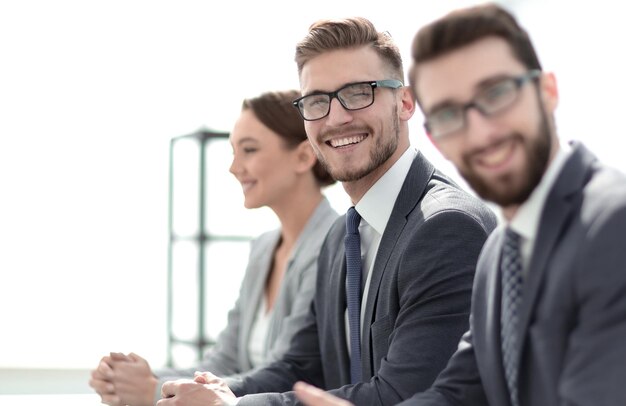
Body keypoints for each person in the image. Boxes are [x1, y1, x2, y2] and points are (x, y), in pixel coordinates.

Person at [293, 3, 626, 406]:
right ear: (435, 137)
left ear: (547, 91)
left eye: (496, 94)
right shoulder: (501, 254)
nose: (480, 130)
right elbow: (458, 394)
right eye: (451, 114)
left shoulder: (612, 224)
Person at [157, 16, 497, 406]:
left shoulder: (445, 227)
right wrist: (212, 393)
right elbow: (300, 365)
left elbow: (403, 394)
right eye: (317, 101)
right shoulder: (342, 235)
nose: (336, 118)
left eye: (358, 93)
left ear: (404, 103)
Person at [88, 89, 339, 406]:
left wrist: (154, 390)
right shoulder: (264, 248)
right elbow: (224, 361)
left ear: (303, 156)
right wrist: (135, 379)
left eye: (249, 150)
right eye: (233, 151)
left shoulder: (334, 244)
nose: (235, 167)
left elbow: (288, 372)